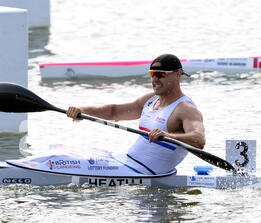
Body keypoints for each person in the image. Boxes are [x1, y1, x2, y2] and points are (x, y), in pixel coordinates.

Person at [66, 54, 206, 175]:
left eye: (161, 75)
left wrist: (168, 136)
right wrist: (83, 110)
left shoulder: (185, 109)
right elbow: (114, 111)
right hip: (127, 162)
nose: (155, 80)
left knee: (66, 164)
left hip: (145, 172)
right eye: (152, 74)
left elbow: (199, 140)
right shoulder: (150, 100)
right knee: (66, 154)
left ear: (178, 74)